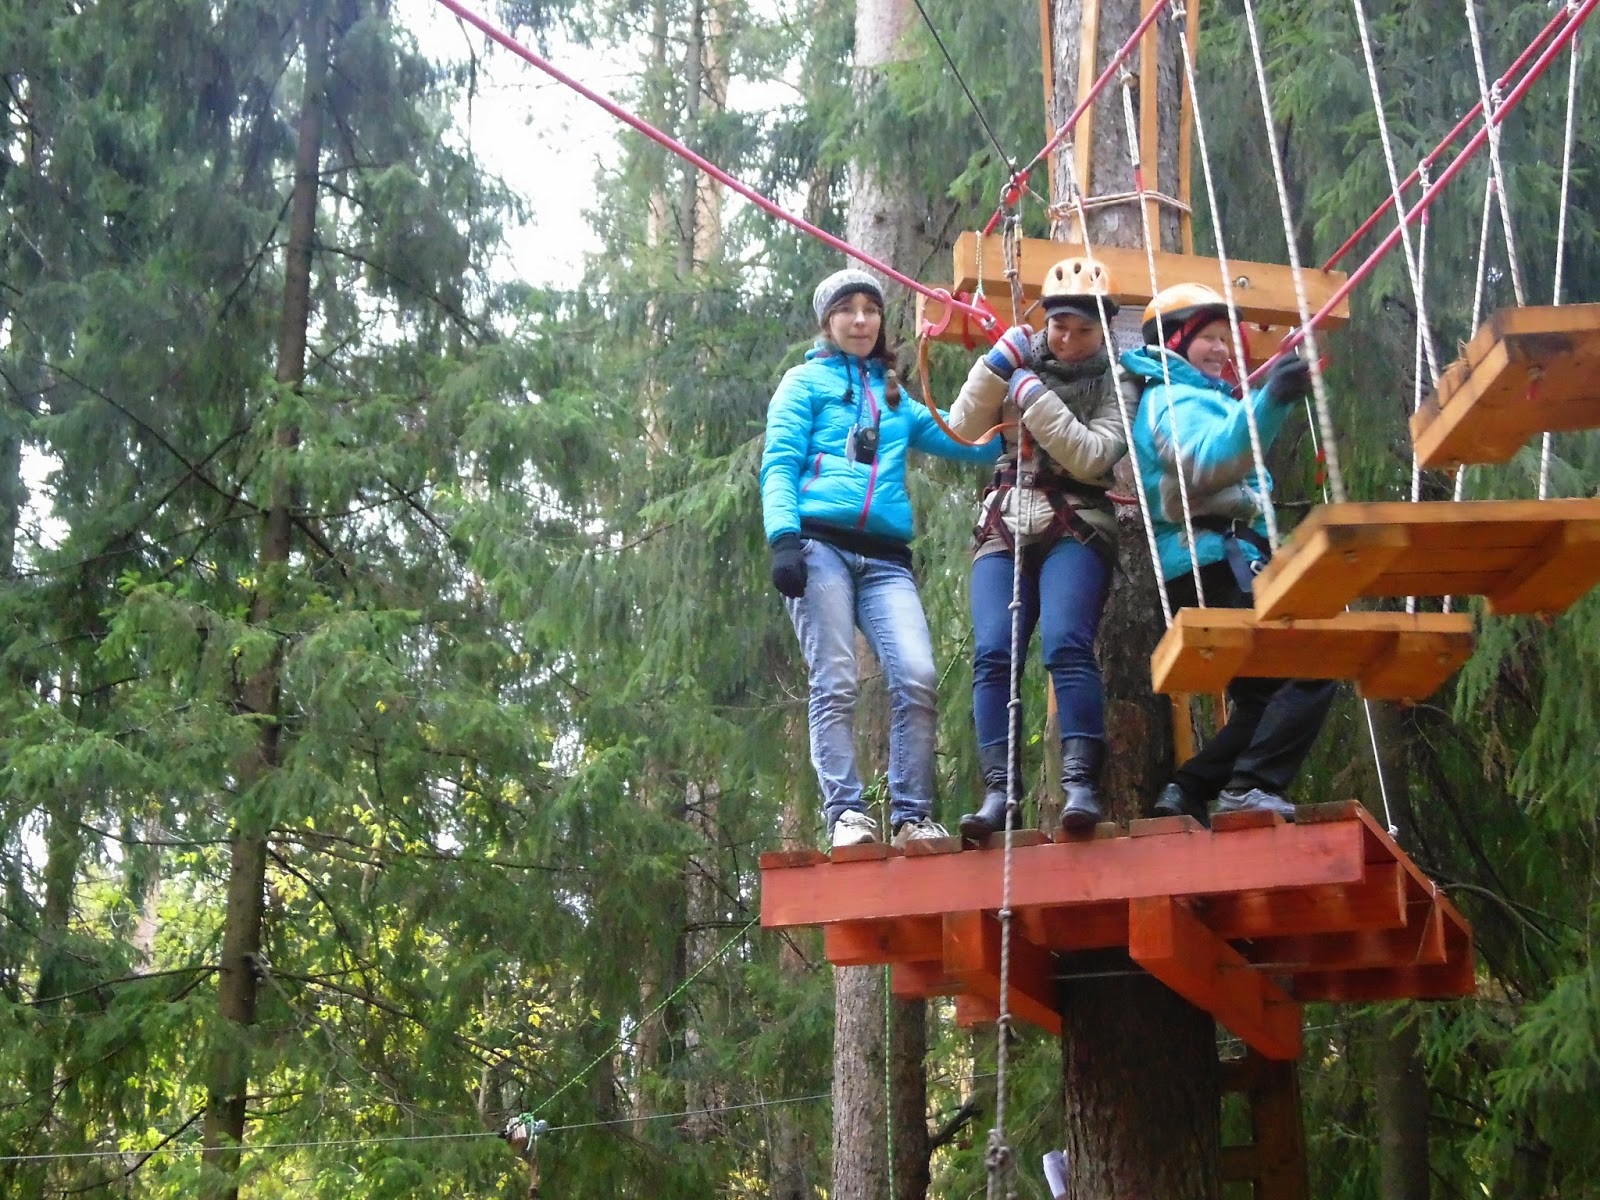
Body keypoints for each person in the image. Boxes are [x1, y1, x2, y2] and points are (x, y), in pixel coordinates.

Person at [761, 267, 999, 849]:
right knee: (836, 680)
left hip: (886, 560)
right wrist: (782, 538)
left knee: (917, 676)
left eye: (871, 309)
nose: (862, 319)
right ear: (828, 320)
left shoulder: (897, 400)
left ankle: (913, 816)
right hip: (818, 547)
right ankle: (846, 813)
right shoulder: (803, 383)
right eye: (848, 309)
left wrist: (1018, 396)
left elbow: (969, 440)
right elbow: (779, 463)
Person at [1121, 282, 1336, 822]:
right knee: (1315, 657)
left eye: (1226, 339)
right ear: (1175, 341)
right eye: (1209, 338)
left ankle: (1188, 790)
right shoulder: (1171, 399)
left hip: (1227, 560)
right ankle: (1250, 786)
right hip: (1210, 563)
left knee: (1264, 697)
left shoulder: (1205, 398)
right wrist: (1273, 400)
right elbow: (1208, 460)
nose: (1222, 349)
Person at [947, 257, 1127, 842]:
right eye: (1060, 327)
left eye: (1083, 329)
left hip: (1077, 520)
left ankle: (1080, 785)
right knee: (993, 654)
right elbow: (961, 425)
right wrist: (996, 365)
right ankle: (1000, 791)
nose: (1069, 339)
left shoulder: (1117, 383)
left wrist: (1027, 389)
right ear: (1044, 324)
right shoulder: (1017, 362)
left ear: (1102, 332)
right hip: (1005, 519)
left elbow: (1090, 456)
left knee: (1067, 644)